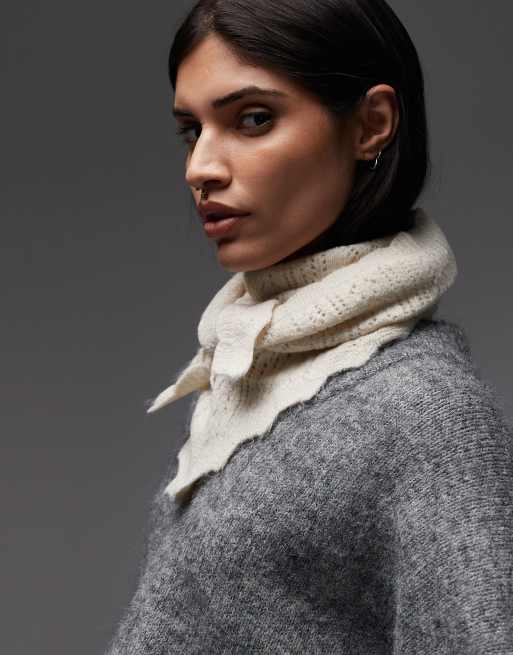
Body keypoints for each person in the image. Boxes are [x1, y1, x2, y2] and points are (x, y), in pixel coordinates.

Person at [105, 1, 513, 653]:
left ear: (370, 125)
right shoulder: (254, 368)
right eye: (192, 130)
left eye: (253, 119)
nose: (200, 167)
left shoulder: (425, 414)